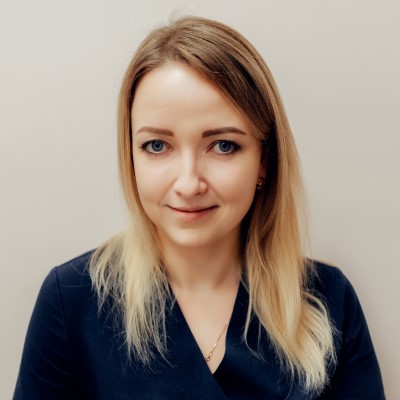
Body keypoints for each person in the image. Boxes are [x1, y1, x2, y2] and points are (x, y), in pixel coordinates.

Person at [14, 16, 385, 399]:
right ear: (131, 156)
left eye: (223, 145)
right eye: (157, 145)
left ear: (264, 160)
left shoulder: (328, 301)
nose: (189, 184)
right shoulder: (71, 301)